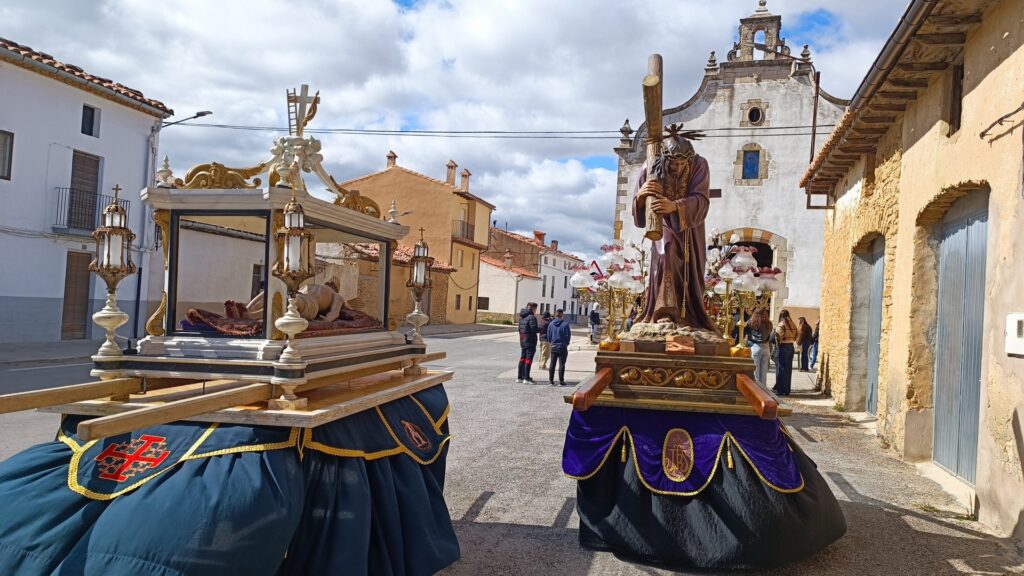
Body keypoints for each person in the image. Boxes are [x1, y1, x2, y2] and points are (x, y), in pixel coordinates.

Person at [632, 124, 717, 332]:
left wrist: (675, 206)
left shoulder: (699, 165)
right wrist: (641, 196)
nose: (678, 168)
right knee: (665, 254)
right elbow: (638, 207)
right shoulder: (650, 165)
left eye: (682, 163)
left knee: (691, 270)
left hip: (690, 227)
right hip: (663, 224)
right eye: (673, 164)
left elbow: (701, 199)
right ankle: (664, 311)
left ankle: (688, 315)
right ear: (665, 160)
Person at [773, 310, 798, 396]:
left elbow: (778, 336)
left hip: (783, 346)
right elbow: (797, 334)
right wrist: (791, 339)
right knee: (788, 369)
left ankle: (780, 389)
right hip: (791, 346)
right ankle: (787, 390)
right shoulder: (793, 323)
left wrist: (778, 344)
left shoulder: (781, 324)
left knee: (781, 368)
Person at [745, 309, 772, 387]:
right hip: (766, 347)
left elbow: (743, 328)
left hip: (756, 346)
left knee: (755, 372)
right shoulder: (769, 323)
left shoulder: (751, 322)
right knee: (764, 372)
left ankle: (757, 390)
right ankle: (763, 390)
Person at [547, 309, 572, 386]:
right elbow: (568, 336)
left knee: (552, 363)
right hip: (562, 346)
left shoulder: (551, 324)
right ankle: (561, 381)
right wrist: (566, 343)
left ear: (555, 314)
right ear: (562, 315)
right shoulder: (565, 324)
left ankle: (551, 381)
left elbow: (549, 335)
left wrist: (552, 342)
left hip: (554, 345)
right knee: (561, 364)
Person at [517, 302, 539, 384]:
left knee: (522, 358)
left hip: (523, 341)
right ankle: (526, 378)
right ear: (533, 309)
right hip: (530, 341)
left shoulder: (522, 317)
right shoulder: (532, 317)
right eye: (536, 309)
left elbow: (519, 329)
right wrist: (541, 329)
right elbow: (534, 329)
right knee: (528, 360)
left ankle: (520, 377)